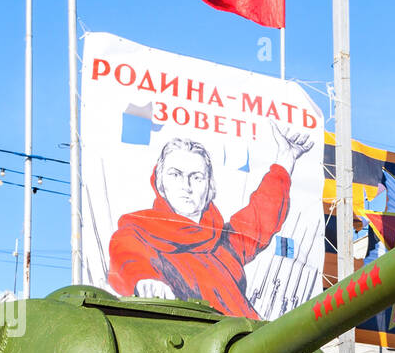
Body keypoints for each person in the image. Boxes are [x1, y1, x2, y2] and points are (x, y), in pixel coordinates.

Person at [108, 125, 313, 317]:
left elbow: (262, 214)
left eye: (196, 177)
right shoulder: (141, 230)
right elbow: (128, 253)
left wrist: (286, 159)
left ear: (209, 186)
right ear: (160, 182)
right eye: (176, 175)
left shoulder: (221, 241)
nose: (186, 186)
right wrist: (145, 279)